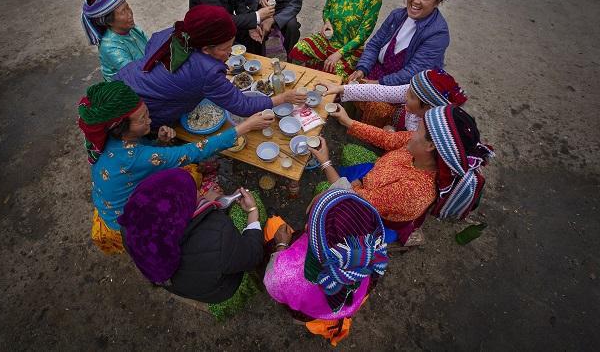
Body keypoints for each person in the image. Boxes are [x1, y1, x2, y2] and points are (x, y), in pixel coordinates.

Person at [77, 81, 273, 254]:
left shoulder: (108, 140)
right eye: (142, 119)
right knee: (192, 177)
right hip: (127, 222)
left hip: (111, 203)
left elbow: (142, 159)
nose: (150, 120)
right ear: (119, 127)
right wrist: (245, 126)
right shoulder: (134, 157)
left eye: (147, 114)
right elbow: (193, 151)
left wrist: (158, 143)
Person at [310, 104, 494, 243]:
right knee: (342, 167)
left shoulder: (412, 191)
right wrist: (347, 120)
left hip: (375, 216)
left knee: (321, 201)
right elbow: (387, 138)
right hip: (371, 182)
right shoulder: (417, 147)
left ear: (431, 146)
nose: (412, 133)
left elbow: (351, 198)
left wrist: (325, 163)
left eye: (418, 131)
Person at [114, 5, 305, 129]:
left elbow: (152, 45)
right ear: (206, 49)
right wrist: (283, 97)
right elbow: (243, 105)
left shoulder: (179, 33)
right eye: (226, 49)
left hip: (125, 79)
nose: (230, 53)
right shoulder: (207, 72)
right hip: (139, 109)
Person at [118, 168, 265, 316]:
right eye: (194, 192)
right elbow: (252, 255)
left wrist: (206, 202)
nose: (198, 193)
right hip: (219, 290)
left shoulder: (131, 229)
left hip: (183, 285)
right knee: (253, 202)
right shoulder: (217, 233)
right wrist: (252, 211)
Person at [263, 188, 392, 346]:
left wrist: (281, 244)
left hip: (310, 311)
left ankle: (272, 220)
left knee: (273, 226)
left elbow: (273, 287)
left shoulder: (284, 273)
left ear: (308, 229)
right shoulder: (370, 254)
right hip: (352, 301)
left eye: (311, 221)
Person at [347, 0, 455, 86]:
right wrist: (362, 69)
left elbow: (412, 73)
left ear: (437, 2)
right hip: (377, 73)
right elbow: (375, 44)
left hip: (403, 88)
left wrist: (375, 84)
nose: (416, 1)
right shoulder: (397, 15)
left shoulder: (438, 34)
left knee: (367, 102)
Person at [318, 68, 467, 129]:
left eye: (410, 97)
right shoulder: (415, 93)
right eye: (407, 91)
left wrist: (349, 123)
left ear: (428, 107)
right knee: (374, 105)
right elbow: (380, 91)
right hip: (400, 129)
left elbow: (400, 145)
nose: (405, 96)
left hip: (404, 150)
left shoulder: (426, 131)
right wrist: (340, 88)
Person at [81, 0, 148, 81]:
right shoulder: (110, 47)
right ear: (109, 22)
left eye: (128, 7)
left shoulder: (132, 29)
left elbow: (150, 47)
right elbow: (136, 74)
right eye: (123, 12)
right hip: (128, 85)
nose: (130, 14)